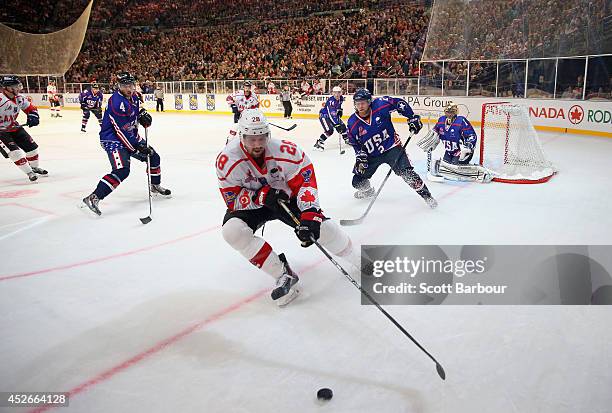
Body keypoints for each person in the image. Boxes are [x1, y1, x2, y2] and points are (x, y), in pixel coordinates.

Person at [216, 108, 359, 307]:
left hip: (286, 198)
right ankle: (283, 274)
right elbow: (232, 199)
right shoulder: (227, 160)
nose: (257, 144)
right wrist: (260, 196)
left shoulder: (286, 150)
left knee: (320, 227)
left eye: (262, 138)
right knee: (232, 232)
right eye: (251, 139)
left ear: (268, 134)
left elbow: (305, 180)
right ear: (241, 136)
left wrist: (310, 212)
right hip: (254, 202)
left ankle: (358, 259)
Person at [81, 72, 171, 216]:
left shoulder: (134, 96)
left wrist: (143, 115)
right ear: (119, 86)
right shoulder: (117, 103)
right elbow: (120, 131)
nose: (129, 89)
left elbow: (137, 110)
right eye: (125, 86)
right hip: (113, 139)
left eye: (131, 85)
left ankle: (154, 186)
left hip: (130, 136)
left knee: (154, 157)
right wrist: (137, 146)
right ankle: (93, 198)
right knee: (122, 170)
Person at [347, 89, 437, 208]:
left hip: (392, 147)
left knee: (407, 174)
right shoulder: (352, 122)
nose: (360, 106)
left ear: (369, 102)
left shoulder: (380, 105)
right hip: (371, 154)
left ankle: (427, 197)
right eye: (357, 103)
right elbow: (354, 142)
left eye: (363, 103)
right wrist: (359, 156)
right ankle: (368, 191)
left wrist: (411, 117)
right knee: (357, 181)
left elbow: (400, 103)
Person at [417, 102, 491, 182]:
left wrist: (468, 146)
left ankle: (477, 173)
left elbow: (472, 135)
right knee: (445, 168)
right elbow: (435, 132)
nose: (449, 114)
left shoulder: (461, 121)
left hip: (462, 152)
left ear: (456, 112)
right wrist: (431, 140)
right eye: (447, 112)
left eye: (451, 112)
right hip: (449, 152)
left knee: (454, 168)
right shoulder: (441, 120)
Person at [0, 76, 48, 182]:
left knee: (32, 148)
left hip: (14, 126)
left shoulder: (19, 98)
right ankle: (29, 172)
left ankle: (34, 168)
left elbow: (31, 109)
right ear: (7, 88)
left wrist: (33, 116)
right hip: (1, 132)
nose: (18, 88)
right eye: (15, 86)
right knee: (14, 152)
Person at [314, 86, 347, 151]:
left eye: (339, 92)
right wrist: (337, 125)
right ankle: (319, 142)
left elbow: (338, 107)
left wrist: (340, 110)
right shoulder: (331, 101)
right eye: (335, 93)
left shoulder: (341, 98)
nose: (337, 94)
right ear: (332, 93)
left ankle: (347, 139)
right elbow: (331, 115)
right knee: (330, 130)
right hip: (324, 116)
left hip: (333, 115)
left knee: (343, 126)